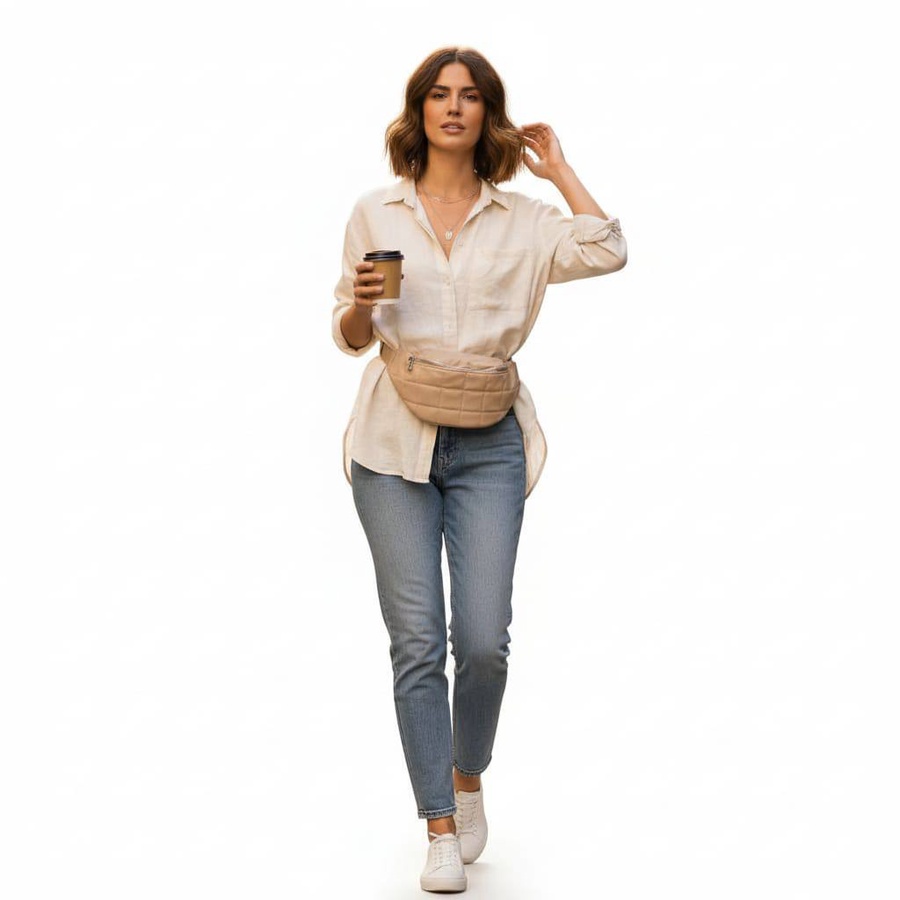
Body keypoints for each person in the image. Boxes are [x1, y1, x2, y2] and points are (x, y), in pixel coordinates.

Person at [332, 46, 627, 893]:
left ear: (488, 113)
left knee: (486, 641)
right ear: (419, 110)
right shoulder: (375, 211)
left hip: (490, 439)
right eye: (439, 94)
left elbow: (608, 248)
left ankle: (467, 779)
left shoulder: (524, 218)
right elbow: (346, 336)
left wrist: (558, 170)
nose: (453, 107)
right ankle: (438, 825)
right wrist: (361, 307)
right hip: (392, 441)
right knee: (418, 640)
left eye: (469, 96)